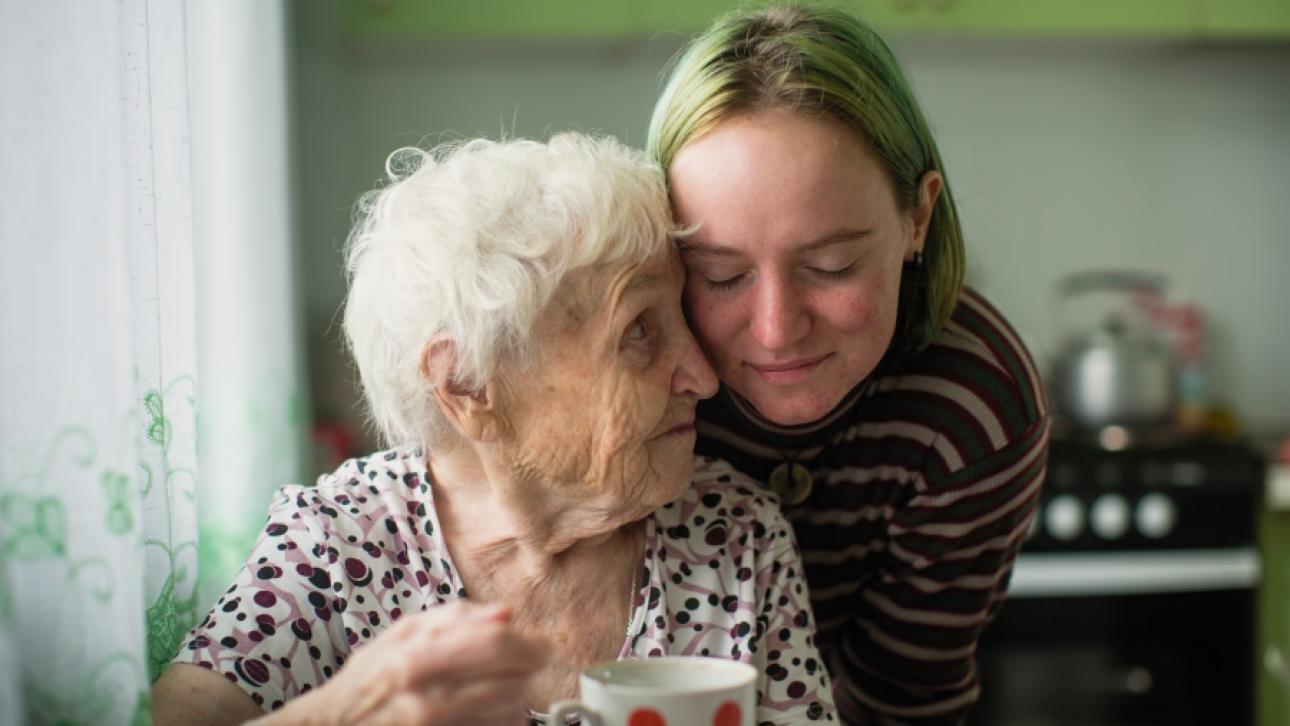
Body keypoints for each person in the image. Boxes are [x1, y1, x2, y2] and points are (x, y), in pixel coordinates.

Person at [150, 133, 836, 725]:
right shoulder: (337, 541)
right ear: (469, 386)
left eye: (680, 315)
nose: (702, 375)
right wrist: (341, 713)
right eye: (640, 333)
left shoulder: (735, 537)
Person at [647, 5, 1050, 723]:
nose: (775, 332)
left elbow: (902, 700)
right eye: (718, 274)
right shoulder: (623, 379)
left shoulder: (973, 408)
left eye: (831, 265)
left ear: (917, 219)